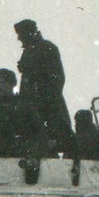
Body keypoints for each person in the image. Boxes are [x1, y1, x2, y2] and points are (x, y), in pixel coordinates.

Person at [14, 19, 76, 157]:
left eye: (20, 34)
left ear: (28, 33)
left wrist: (41, 99)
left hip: (47, 108)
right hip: (34, 107)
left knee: (49, 144)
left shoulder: (48, 48)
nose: (18, 38)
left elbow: (57, 79)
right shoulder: (30, 51)